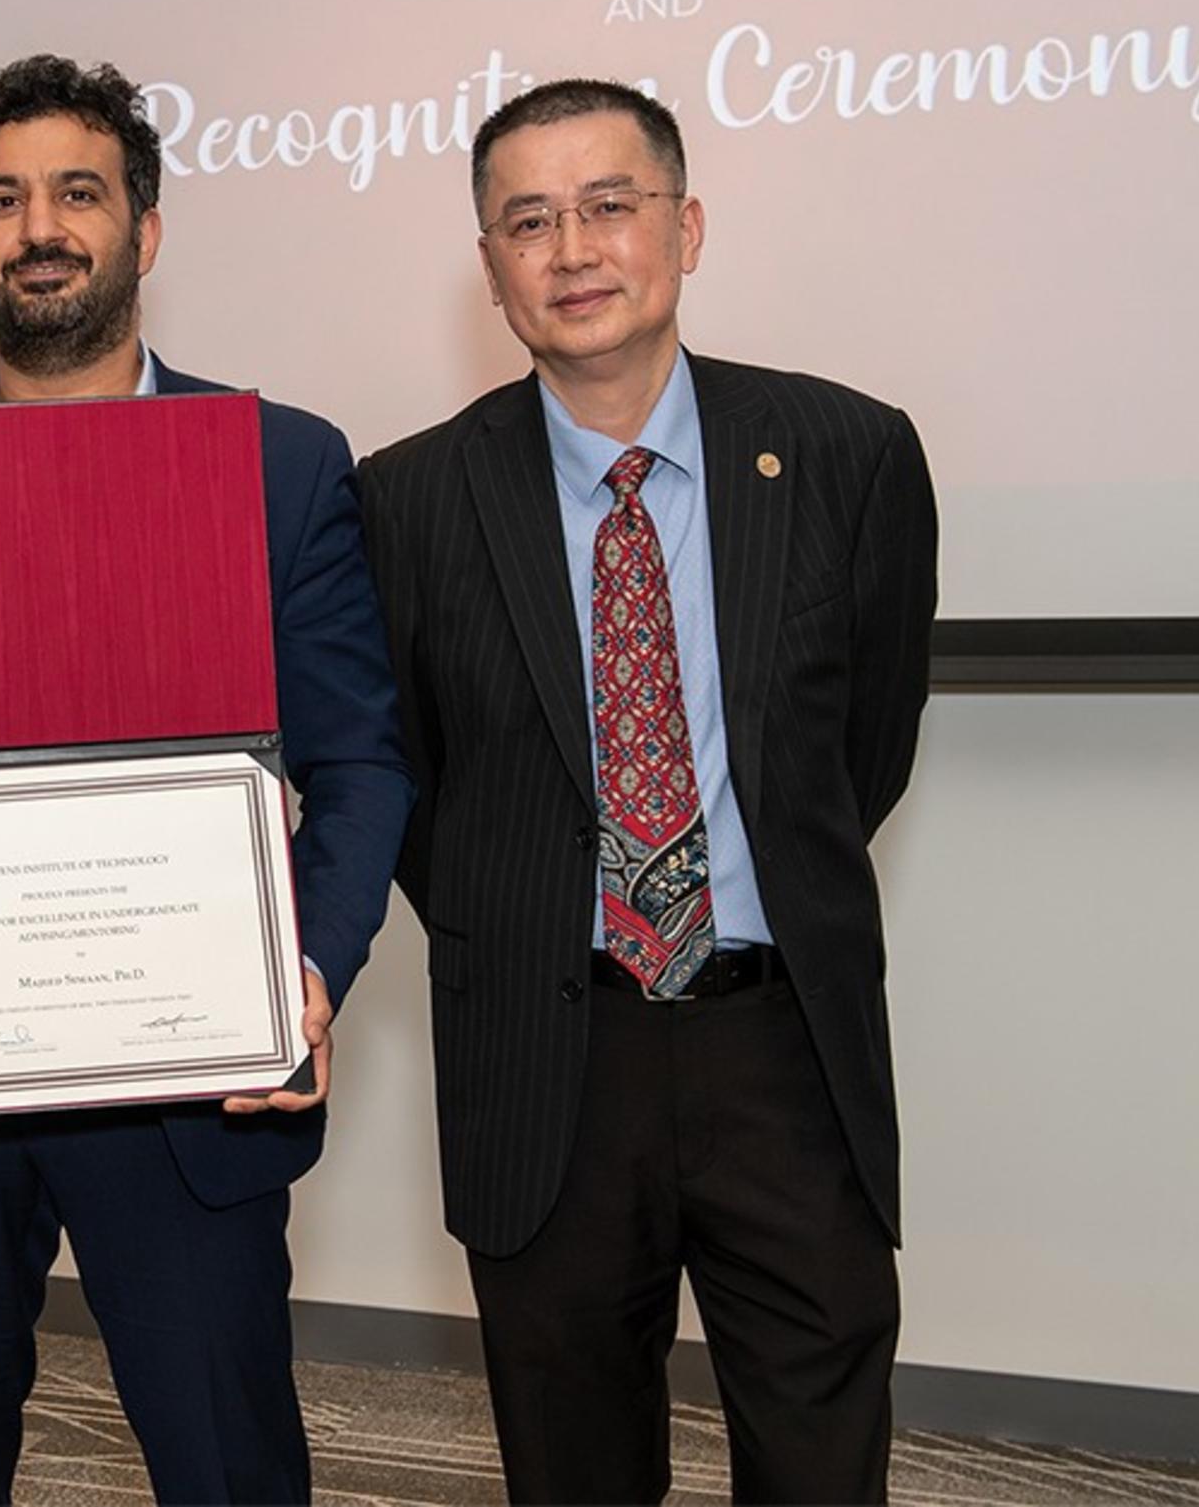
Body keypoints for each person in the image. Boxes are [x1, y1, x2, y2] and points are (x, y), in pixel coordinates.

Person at [0, 54, 412, 1504]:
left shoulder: (279, 463)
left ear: (144, 229)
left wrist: (310, 963)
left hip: (186, 1064)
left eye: (76, 192)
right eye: (2, 199)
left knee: (227, 1461)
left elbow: (359, 755)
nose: (38, 226)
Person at [357, 79, 937, 1504]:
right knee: (575, 1471)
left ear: (685, 226)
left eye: (609, 206)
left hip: (781, 1043)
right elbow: (416, 787)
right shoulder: (407, 503)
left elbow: (861, 747)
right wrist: (540, 909)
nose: (573, 249)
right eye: (528, 222)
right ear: (490, 273)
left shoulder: (850, 457)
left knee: (819, 1460)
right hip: (551, 1056)